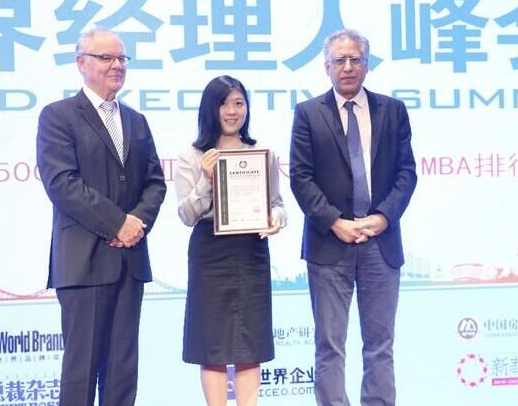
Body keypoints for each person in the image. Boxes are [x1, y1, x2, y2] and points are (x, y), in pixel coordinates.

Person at [36, 28, 166, 406]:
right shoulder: (58, 116)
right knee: (81, 372)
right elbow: (62, 183)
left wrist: (135, 224)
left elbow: (155, 183)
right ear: (82, 63)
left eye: (122, 58)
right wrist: (117, 223)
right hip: (84, 263)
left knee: (122, 373)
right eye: (106, 58)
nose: (117, 66)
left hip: (130, 262)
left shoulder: (137, 121)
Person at [289, 29, 417, 406]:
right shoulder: (308, 113)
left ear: (366, 64)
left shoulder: (392, 111)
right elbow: (300, 177)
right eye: (339, 60)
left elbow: (406, 173)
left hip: (381, 243)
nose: (347, 67)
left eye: (355, 59)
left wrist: (383, 217)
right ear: (326, 66)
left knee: (380, 345)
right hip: (329, 243)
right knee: (329, 345)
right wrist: (334, 221)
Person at [174, 75, 287, 406]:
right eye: (224, 104)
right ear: (210, 108)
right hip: (210, 252)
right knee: (213, 344)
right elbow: (186, 215)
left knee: (250, 342)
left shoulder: (261, 153)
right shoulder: (192, 156)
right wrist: (207, 179)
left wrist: (276, 219)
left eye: (239, 103)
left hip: (251, 251)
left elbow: (277, 204)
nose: (232, 111)